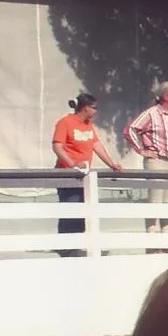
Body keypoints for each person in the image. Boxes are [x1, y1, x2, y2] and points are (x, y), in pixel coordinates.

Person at [50, 93, 124, 257]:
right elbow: (57, 146)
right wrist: (72, 165)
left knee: (85, 210)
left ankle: (81, 244)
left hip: (84, 175)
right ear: (85, 107)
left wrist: (111, 163)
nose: (96, 111)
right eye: (94, 108)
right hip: (67, 174)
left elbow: (96, 145)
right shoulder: (65, 122)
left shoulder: (88, 125)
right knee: (71, 209)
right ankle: (67, 247)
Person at [126, 81, 168, 244]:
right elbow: (131, 129)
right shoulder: (151, 113)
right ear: (166, 96)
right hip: (156, 160)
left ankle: (167, 240)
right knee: (155, 199)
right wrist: (142, 150)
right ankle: (152, 241)